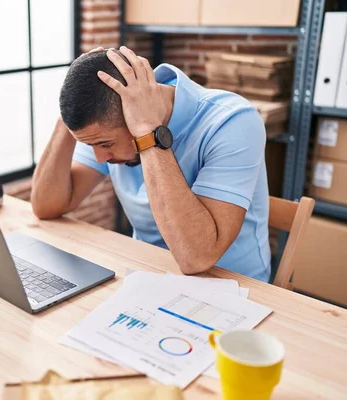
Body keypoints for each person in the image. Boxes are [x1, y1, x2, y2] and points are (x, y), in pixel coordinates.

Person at [31, 46, 271, 281]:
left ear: (134, 116)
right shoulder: (104, 124)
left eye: (105, 145)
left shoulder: (234, 121)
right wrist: (71, 108)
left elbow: (197, 258)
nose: (100, 158)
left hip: (236, 287)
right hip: (149, 275)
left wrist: (149, 131)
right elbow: (46, 206)